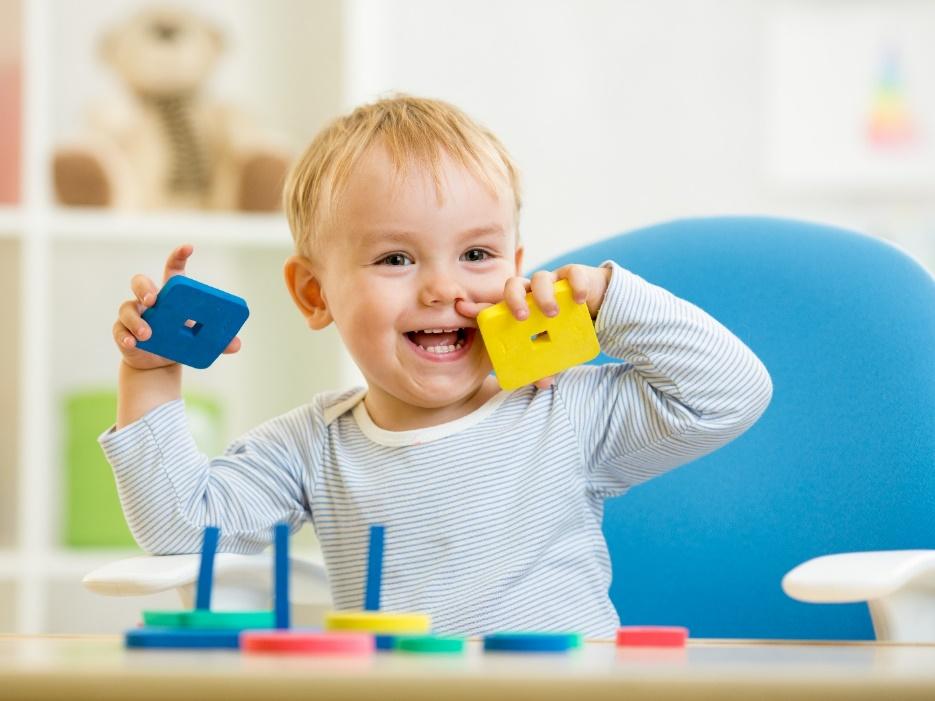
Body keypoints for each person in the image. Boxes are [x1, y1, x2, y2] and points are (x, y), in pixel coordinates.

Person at [101, 95, 772, 637]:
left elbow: (729, 394)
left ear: (516, 270)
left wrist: (606, 301)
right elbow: (184, 527)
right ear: (315, 294)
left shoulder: (563, 410)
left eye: (477, 256)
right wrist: (152, 375)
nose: (442, 289)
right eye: (396, 258)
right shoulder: (312, 445)